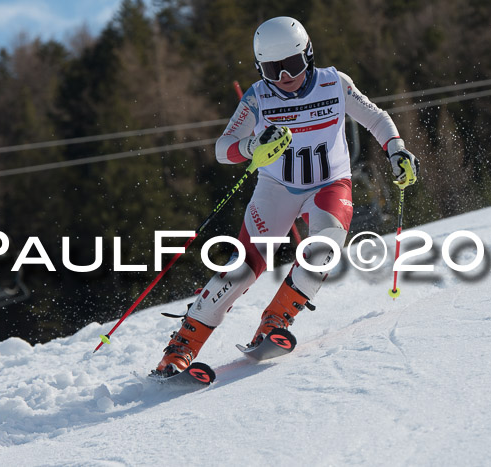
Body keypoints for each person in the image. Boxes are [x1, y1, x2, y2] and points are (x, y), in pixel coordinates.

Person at [154, 16, 419, 376]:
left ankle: (274, 323)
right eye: (271, 69)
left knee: (323, 250)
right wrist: (250, 146)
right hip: (276, 190)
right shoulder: (258, 97)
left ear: (308, 55)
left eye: (291, 65)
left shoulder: (334, 83)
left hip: (329, 185)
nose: (283, 78)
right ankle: (179, 349)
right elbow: (222, 148)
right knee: (242, 270)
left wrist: (397, 149)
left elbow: (376, 118)